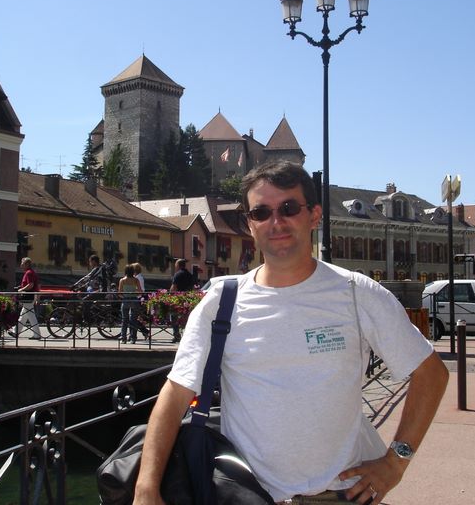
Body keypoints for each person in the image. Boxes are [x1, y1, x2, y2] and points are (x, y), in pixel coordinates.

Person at [134, 161, 449, 504]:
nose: (276, 222)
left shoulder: (357, 292)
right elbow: (175, 394)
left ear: (314, 215)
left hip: (340, 495)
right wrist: (146, 488)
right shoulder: (220, 302)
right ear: (250, 224)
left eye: (288, 208)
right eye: (261, 212)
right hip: (248, 495)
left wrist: (396, 461)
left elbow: (431, 373)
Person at [14, 257, 41, 340]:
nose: (21, 265)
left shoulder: (29, 273)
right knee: (23, 315)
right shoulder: (31, 272)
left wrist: (21, 289)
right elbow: (35, 286)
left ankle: (37, 334)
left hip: (28, 296)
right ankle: (16, 331)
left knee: (31, 316)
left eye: (22, 263)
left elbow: (31, 285)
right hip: (30, 296)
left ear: (27, 264)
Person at [167, 259, 194, 342]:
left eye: (176, 264)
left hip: (178, 299)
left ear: (178, 265)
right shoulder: (190, 275)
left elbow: (173, 287)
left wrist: (169, 296)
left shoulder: (178, 274)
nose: (175, 266)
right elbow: (193, 287)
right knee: (186, 318)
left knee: (174, 316)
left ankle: (177, 335)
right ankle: (187, 336)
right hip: (188, 299)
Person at [119, 264, 146, 344]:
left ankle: (123, 338)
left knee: (124, 320)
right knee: (133, 320)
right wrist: (134, 294)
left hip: (125, 300)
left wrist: (125, 296)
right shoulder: (136, 280)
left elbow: (119, 293)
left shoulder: (122, 280)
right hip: (134, 300)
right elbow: (140, 291)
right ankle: (133, 338)